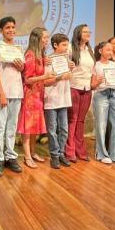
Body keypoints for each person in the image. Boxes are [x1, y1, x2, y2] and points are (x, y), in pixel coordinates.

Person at [0, 16, 24, 176]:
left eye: (13, 27)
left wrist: (21, 67)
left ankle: (10, 156)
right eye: (7, 27)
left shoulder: (18, 48)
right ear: (1, 30)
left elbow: (21, 70)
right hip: (1, 93)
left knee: (12, 127)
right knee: (0, 127)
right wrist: (2, 94)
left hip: (17, 92)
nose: (11, 30)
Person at [18, 27, 55, 168]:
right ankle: (27, 156)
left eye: (47, 38)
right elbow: (27, 79)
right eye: (45, 38)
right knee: (27, 128)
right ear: (37, 38)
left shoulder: (41, 56)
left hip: (38, 94)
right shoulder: (30, 55)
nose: (47, 41)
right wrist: (44, 76)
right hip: (29, 95)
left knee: (34, 126)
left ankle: (33, 153)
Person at [44, 33, 74, 169]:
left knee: (64, 129)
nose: (66, 47)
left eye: (67, 45)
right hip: (51, 99)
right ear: (55, 45)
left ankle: (61, 153)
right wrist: (61, 77)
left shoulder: (67, 60)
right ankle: (54, 156)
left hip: (64, 98)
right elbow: (45, 81)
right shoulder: (49, 60)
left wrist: (70, 70)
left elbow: (69, 77)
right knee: (52, 129)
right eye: (64, 45)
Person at [66, 24, 95, 162]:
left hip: (87, 88)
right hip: (73, 86)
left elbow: (91, 70)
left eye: (89, 31)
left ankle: (80, 150)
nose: (88, 33)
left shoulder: (91, 50)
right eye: (85, 31)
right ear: (78, 33)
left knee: (81, 121)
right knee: (72, 120)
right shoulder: (70, 48)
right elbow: (62, 65)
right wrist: (68, 65)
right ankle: (69, 150)